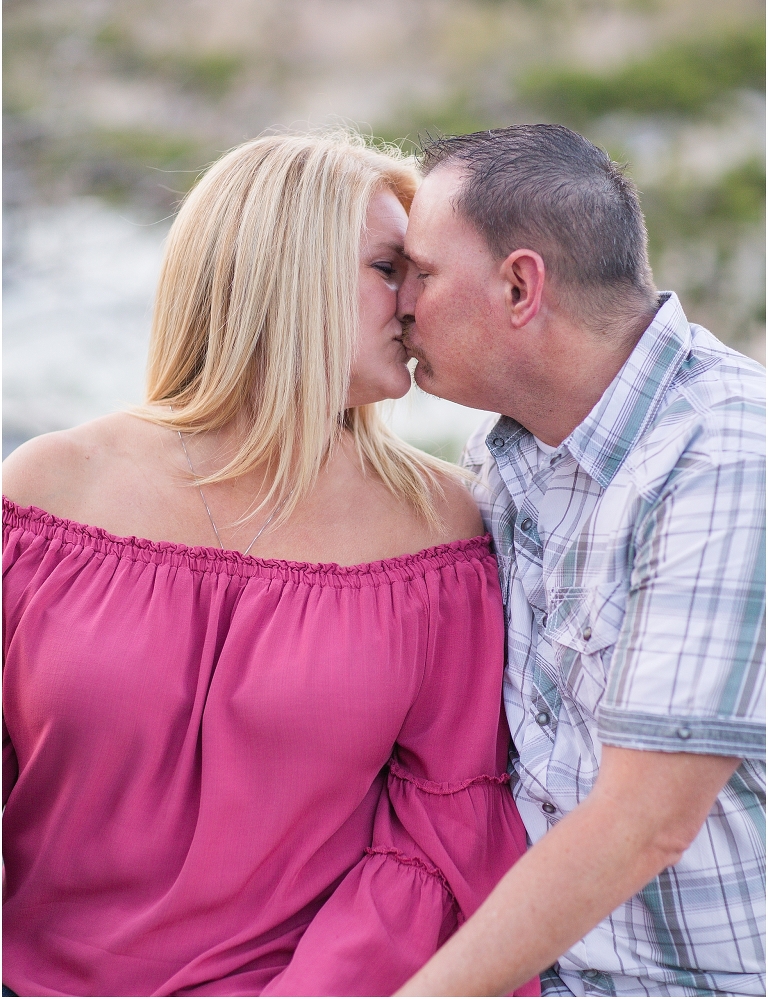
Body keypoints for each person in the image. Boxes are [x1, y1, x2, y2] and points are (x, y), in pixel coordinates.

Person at [2, 132, 539, 998]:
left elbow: (437, 840)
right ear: (288, 273)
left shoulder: (441, 531)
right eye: (391, 266)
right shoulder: (45, 492)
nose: (418, 305)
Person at [394, 124, 765, 997]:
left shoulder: (727, 456)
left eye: (422, 272)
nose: (401, 302)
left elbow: (644, 824)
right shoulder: (511, 451)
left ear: (521, 285)